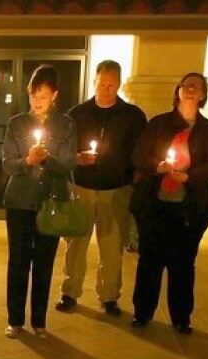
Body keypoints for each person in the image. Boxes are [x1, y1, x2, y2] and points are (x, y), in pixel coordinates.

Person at [130, 72, 208, 333]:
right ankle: (143, 312)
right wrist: (157, 165)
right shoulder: (159, 124)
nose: (192, 89)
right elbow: (139, 154)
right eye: (187, 85)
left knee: (183, 264)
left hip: (189, 208)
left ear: (204, 94)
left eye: (198, 86)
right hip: (155, 204)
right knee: (150, 260)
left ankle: (181, 317)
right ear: (179, 90)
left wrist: (189, 176)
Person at [56, 60, 147, 316]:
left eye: (111, 85)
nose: (106, 89)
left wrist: (133, 179)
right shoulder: (77, 114)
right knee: (76, 243)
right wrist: (77, 157)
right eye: (102, 84)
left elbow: (139, 152)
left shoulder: (132, 116)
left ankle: (109, 295)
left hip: (116, 188)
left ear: (118, 83)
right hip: (82, 186)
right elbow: (64, 150)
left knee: (112, 244)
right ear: (94, 81)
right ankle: (69, 291)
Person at [2, 65, 76, 339]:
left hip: (50, 200)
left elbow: (68, 163)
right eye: (34, 95)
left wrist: (47, 159)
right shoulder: (17, 123)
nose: (37, 101)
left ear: (54, 95)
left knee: (44, 261)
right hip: (20, 199)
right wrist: (27, 161)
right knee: (18, 261)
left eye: (43, 96)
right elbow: (8, 163)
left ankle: (39, 321)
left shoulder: (66, 124)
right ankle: (15, 319)